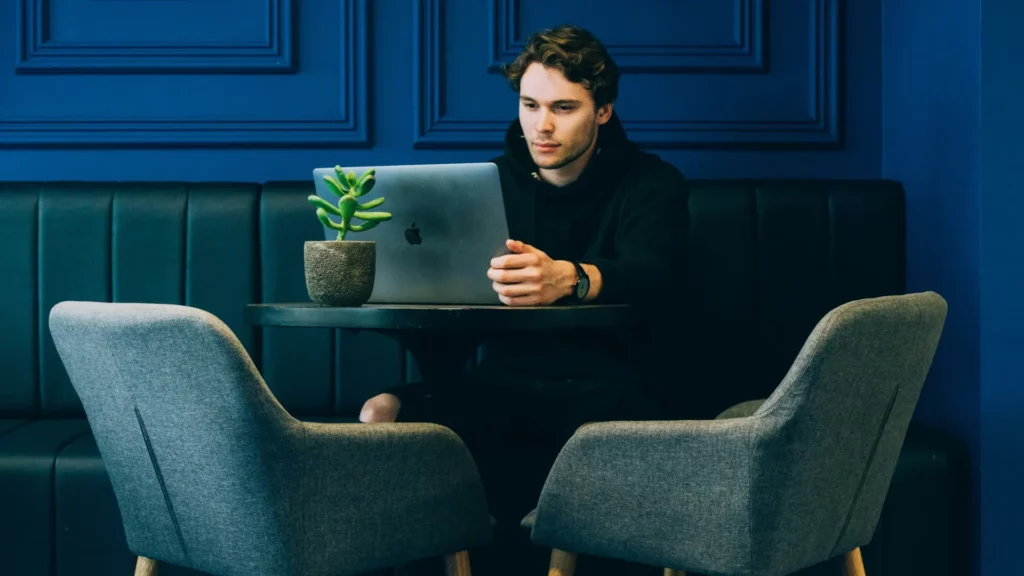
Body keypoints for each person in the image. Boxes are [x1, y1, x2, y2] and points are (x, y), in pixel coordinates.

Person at [360, 24, 690, 575]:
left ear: (602, 110)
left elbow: (656, 272)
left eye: (564, 107)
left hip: (608, 388)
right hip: (504, 383)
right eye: (529, 104)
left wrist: (571, 278)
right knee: (381, 413)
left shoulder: (650, 183)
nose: (542, 125)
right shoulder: (489, 183)